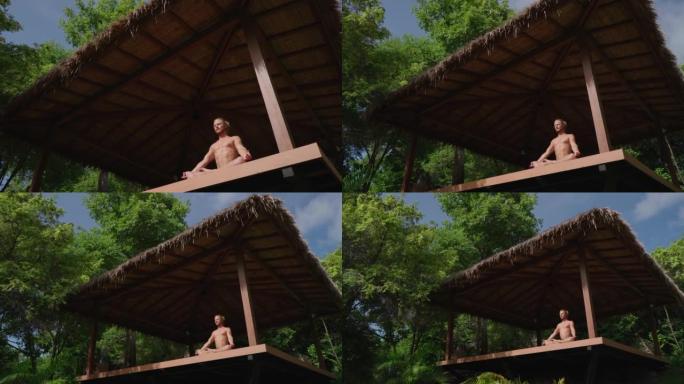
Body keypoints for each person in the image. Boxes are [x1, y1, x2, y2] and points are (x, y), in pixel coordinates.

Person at [182, 117, 253, 179]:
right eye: (214, 125)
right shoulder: (214, 146)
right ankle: (215, 172)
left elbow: (240, 147)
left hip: (232, 168)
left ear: (225, 125)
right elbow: (205, 160)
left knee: (241, 159)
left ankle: (214, 172)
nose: (216, 126)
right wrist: (192, 171)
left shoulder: (234, 138)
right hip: (218, 175)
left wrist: (245, 154)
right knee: (192, 175)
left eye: (219, 124)